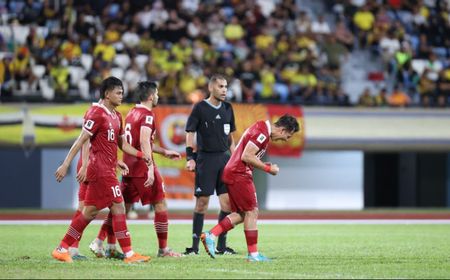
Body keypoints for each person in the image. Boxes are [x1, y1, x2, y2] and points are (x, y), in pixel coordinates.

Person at [52, 76, 151, 264]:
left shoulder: (116, 115)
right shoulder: (96, 113)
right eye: (118, 92)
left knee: (89, 212)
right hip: (99, 171)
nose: (122, 96)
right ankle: (129, 254)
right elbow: (82, 139)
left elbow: (120, 143)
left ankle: (62, 248)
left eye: (122, 92)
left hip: (107, 170)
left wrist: (139, 155)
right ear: (107, 94)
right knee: (118, 206)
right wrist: (66, 164)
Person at [90, 81, 183, 257]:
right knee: (160, 204)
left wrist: (163, 151)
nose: (158, 97)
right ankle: (163, 249)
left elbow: (137, 141)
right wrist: (149, 167)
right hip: (142, 167)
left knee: (120, 206)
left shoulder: (132, 112)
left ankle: (101, 241)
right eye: (156, 94)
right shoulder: (147, 115)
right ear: (150, 96)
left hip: (129, 167)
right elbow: (143, 141)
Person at [200, 114, 300, 262]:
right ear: (283, 130)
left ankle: (211, 234)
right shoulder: (262, 132)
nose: (286, 140)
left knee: (242, 214)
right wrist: (268, 168)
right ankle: (253, 255)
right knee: (252, 212)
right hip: (239, 173)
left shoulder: (261, 128)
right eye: (288, 136)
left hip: (234, 172)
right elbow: (247, 156)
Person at [184, 74, 237, 255]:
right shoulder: (199, 108)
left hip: (224, 160)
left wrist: (236, 157)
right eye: (221, 86)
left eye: (226, 87)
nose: (224, 90)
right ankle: (194, 247)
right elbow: (190, 133)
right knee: (202, 204)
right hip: (205, 159)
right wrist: (189, 157)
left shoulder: (228, 108)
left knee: (227, 204)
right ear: (211, 88)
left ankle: (221, 246)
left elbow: (230, 137)